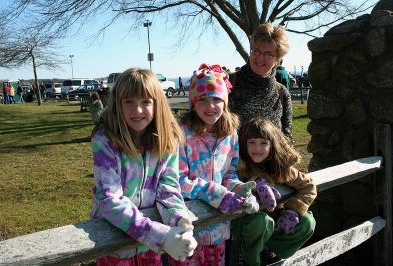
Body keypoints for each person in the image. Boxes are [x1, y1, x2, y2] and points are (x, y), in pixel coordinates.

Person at [90, 68, 197, 265]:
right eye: (128, 101)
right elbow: (109, 199)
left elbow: (169, 187)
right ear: (117, 104)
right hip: (114, 245)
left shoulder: (168, 140)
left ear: (158, 104)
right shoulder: (105, 139)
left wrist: (180, 220)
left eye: (146, 102)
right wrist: (160, 235)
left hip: (149, 248)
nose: (137, 110)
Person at [170, 64, 259, 266]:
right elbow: (178, 180)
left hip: (219, 228)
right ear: (193, 102)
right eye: (203, 100)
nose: (210, 106)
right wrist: (217, 194)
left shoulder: (230, 134)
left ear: (225, 102)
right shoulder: (182, 134)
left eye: (217, 99)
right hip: (188, 229)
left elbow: (229, 172)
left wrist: (239, 190)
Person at [233, 117, 317, 266]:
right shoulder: (240, 166)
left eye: (263, 143)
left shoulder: (281, 168)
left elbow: (308, 186)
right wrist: (254, 183)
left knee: (307, 222)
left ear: (273, 145)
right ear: (243, 144)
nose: (257, 148)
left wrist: (293, 210)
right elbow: (233, 185)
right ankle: (248, 259)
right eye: (251, 142)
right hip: (248, 225)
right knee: (261, 221)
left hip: (274, 225)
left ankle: (270, 249)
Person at [228, 22, 293, 141]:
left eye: (268, 54)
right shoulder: (229, 83)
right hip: (231, 159)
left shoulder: (282, 93)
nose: (260, 58)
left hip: (270, 160)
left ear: (277, 60)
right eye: (256, 50)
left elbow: (287, 137)